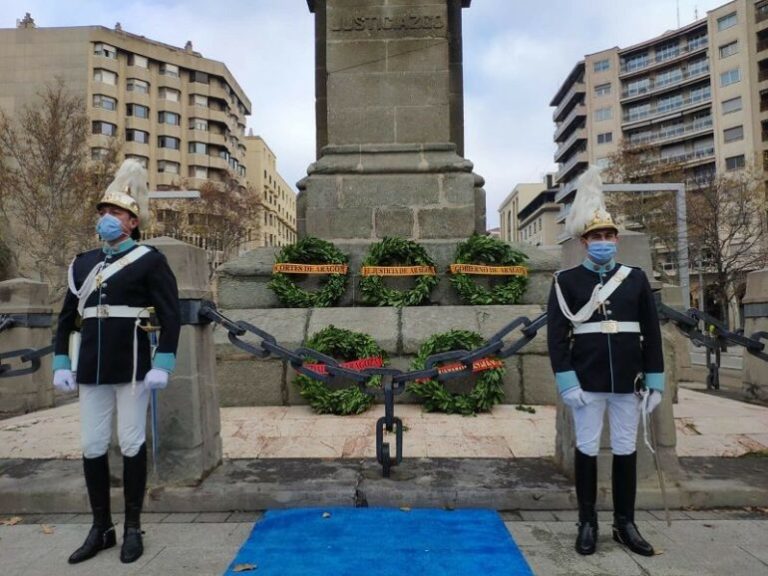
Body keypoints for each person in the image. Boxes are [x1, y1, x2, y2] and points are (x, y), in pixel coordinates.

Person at [52, 159, 181, 564]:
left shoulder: (149, 259)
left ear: (133, 221)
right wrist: (60, 362)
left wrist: (164, 362)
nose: (107, 218)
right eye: (103, 212)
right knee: (91, 444)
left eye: (116, 213)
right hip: (90, 365)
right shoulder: (83, 263)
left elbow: (171, 314)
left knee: (130, 442)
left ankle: (133, 527)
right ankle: (101, 528)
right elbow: (67, 318)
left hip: (133, 365)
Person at [546, 166, 664, 557]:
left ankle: (625, 522)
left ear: (616, 239)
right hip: (587, 380)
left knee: (627, 449)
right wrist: (567, 381)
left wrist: (656, 381)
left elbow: (650, 331)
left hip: (629, 381)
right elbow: (557, 337)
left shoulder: (635, 278)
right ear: (584, 242)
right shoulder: (567, 281)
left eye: (608, 236)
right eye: (595, 236)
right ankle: (587, 521)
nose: (603, 241)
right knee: (587, 448)